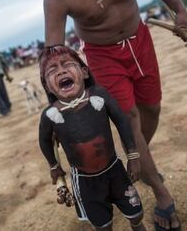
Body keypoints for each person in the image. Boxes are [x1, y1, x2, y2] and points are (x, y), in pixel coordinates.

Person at [44, 0, 187, 230]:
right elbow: (52, 54)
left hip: (141, 40)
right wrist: (54, 110)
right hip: (102, 56)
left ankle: (138, 158)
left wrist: (179, 8)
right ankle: (161, 194)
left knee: (151, 109)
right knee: (129, 117)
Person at [39, 46, 145, 231]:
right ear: (47, 86)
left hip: (115, 171)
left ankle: (137, 226)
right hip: (84, 182)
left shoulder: (99, 95)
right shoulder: (50, 115)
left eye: (67, 64)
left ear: (84, 72)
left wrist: (133, 156)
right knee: (102, 226)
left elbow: (121, 121)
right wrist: (54, 166)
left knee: (136, 213)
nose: (62, 70)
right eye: (52, 70)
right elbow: (44, 141)